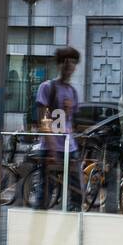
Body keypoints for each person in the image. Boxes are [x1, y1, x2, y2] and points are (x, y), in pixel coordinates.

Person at [34, 46, 84, 210]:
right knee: (45, 194)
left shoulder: (72, 91)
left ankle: (70, 221)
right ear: (59, 64)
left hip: (70, 149)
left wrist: (68, 113)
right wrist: (52, 148)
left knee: (77, 193)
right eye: (65, 61)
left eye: (73, 62)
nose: (69, 65)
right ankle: (39, 222)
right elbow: (43, 120)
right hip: (51, 149)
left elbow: (71, 123)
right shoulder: (47, 87)